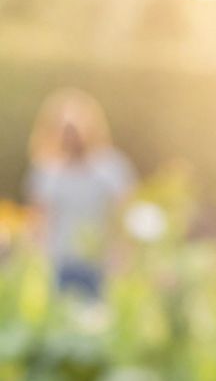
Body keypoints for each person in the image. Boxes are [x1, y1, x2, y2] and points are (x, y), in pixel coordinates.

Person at [24, 89, 136, 298]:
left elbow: (123, 215)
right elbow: (39, 220)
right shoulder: (46, 172)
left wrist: (121, 256)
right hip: (60, 263)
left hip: (100, 264)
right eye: (65, 129)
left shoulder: (110, 169)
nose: (71, 136)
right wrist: (37, 260)